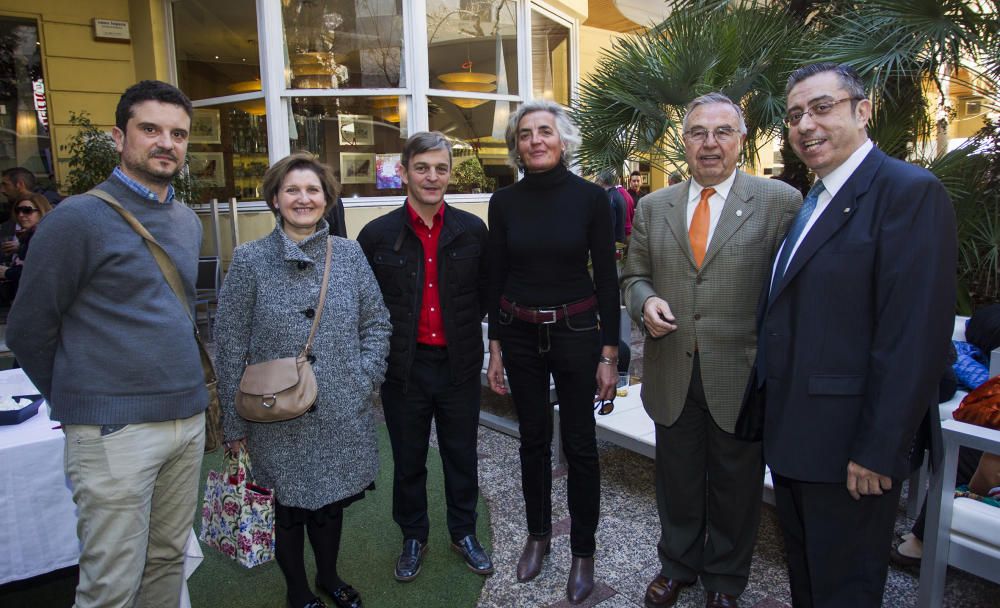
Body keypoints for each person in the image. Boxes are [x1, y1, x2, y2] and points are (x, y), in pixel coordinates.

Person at [743, 62, 957, 607]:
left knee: (845, 590)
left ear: (863, 111)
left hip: (851, 453)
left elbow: (914, 338)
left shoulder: (908, 192)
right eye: (794, 116)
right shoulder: (812, 199)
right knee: (809, 582)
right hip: (797, 441)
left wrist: (878, 450)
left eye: (821, 107)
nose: (805, 125)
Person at [6, 80, 208, 608]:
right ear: (119, 137)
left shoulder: (187, 221)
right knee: (110, 585)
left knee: (167, 563)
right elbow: (28, 329)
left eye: (178, 134)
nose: (166, 143)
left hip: (186, 420)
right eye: (151, 129)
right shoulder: (77, 219)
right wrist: (83, 400)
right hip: (112, 430)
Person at [621, 92, 802, 608]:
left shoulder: (779, 202)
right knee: (676, 481)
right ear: (684, 141)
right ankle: (677, 566)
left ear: (741, 140)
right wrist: (645, 300)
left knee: (736, 485)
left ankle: (724, 579)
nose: (710, 143)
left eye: (723, 132)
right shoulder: (654, 207)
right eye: (699, 132)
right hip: (669, 370)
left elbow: (790, 293)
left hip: (740, 375)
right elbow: (632, 275)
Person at [216, 152, 391, 608]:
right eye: (292, 189)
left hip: (338, 407)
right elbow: (230, 342)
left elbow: (377, 322)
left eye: (313, 190)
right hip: (273, 413)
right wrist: (232, 425)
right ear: (275, 198)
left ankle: (328, 578)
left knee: (329, 503)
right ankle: (297, 589)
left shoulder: (349, 255)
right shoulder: (250, 260)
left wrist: (363, 377)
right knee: (287, 507)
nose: (303, 198)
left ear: (327, 198)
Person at [486, 99, 619, 605]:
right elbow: (496, 276)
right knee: (532, 440)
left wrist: (609, 353)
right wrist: (495, 346)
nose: (535, 140)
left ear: (563, 140)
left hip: (577, 330)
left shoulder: (591, 199)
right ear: (516, 146)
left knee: (581, 445)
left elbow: (606, 277)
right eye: (525, 134)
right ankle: (538, 535)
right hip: (518, 332)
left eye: (545, 131)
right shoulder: (504, 202)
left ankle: (583, 551)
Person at [357, 132, 493, 582]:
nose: (432, 177)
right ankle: (413, 535)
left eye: (440, 168)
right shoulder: (376, 236)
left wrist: (495, 355)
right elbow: (362, 308)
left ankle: (463, 531)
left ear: (450, 174)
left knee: (461, 455)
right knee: (409, 457)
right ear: (404, 171)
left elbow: (488, 298)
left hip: (457, 367)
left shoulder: (472, 230)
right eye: (422, 167)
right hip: (405, 371)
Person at [0, 193, 52, 301]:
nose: (21, 215)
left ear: (41, 211)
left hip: (38, 301)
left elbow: (38, 273)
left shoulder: (43, 236)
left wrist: (7, 272)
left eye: (27, 210)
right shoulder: (28, 236)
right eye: (17, 211)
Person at [595, 168, 626, 244]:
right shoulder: (617, 195)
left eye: (596, 180)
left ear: (601, 181)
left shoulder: (609, 198)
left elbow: (609, 226)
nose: (595, 183)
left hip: (613, 243)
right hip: (619, 241)